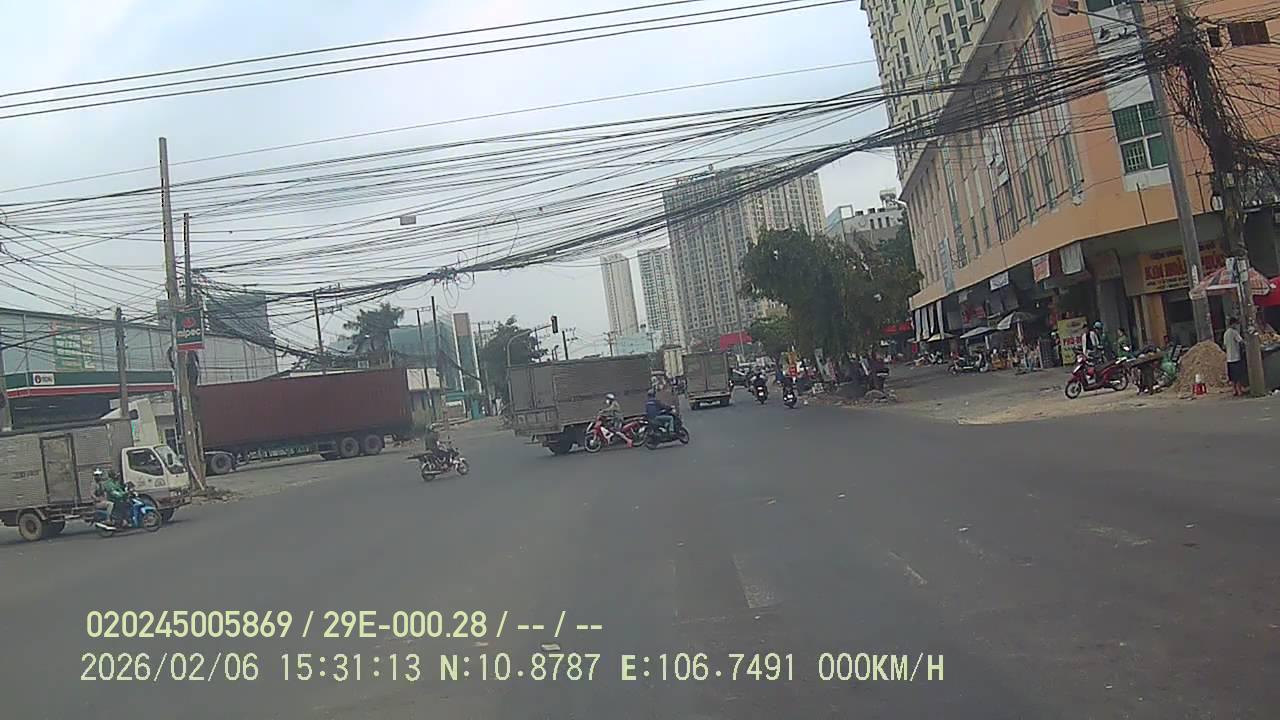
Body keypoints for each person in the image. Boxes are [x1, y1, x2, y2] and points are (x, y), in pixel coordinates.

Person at [1224, 317, 1246, 396]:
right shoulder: (1234, 332)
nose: (1237, 325)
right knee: (1238, 376)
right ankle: (1239, 390)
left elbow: (1225, 345)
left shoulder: (1226, 333)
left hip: (1229, 358)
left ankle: (1234, 390)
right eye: (1236, 324)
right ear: (1233, 324)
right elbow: (1241, 341)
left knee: (1232, 377)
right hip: (1236, 357)